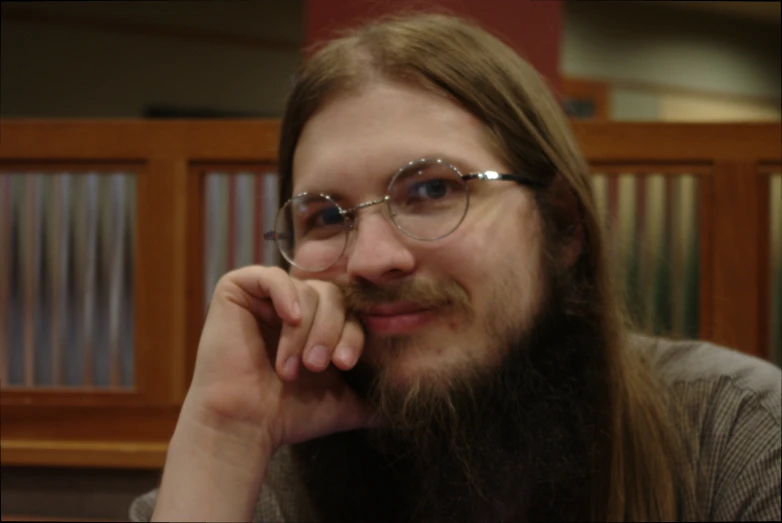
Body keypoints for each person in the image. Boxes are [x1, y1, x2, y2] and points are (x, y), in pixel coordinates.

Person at [130, 12, 781, 523]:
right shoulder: (266, 475)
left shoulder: (736, 439)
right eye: (325, 216)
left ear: (562, 225)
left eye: (434, 189)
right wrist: (225, 436)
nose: (373, 258)